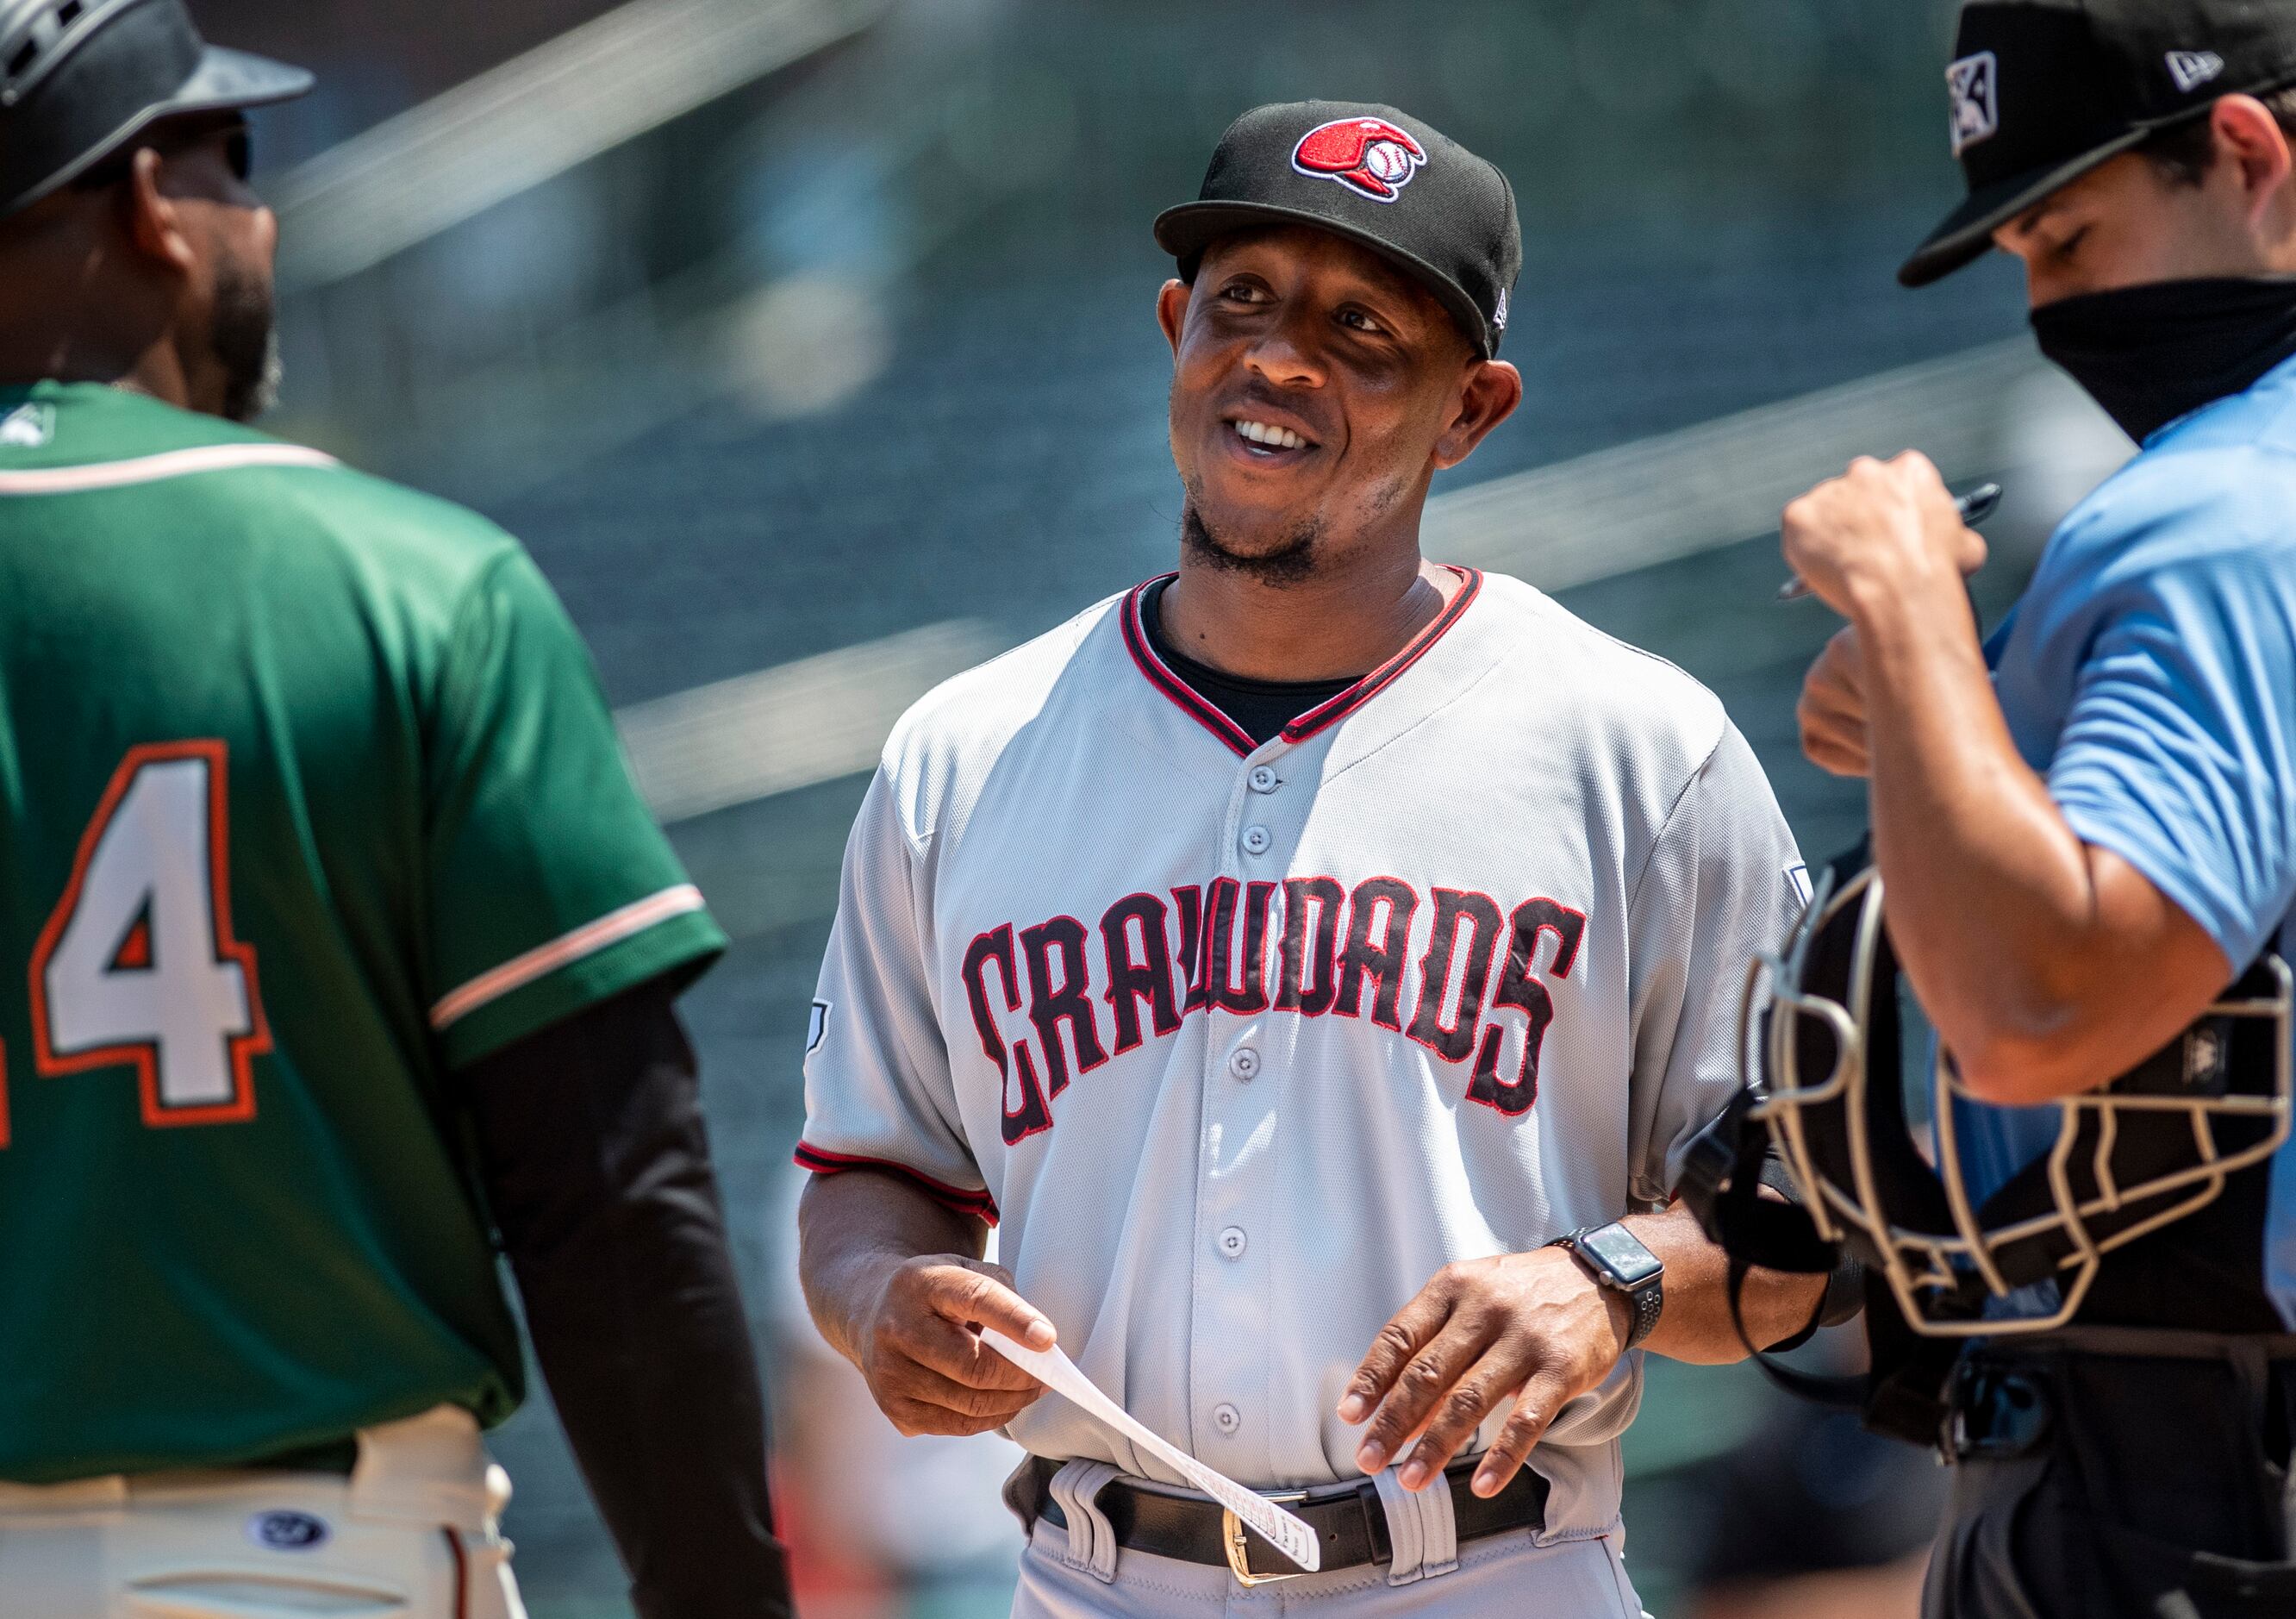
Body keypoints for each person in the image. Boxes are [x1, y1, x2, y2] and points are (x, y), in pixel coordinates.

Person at [795, 99, 1837, 1615]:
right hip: (1089, 1576)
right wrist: (878, 1295)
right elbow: (868, 1180)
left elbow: (1810, 1230)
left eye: (1362, 328)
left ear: (1469, 409)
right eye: (1244, 301)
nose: (1280, 360)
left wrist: (1610, 1284)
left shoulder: (1637, 750)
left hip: (1488, 1570)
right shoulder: (964, 753)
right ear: (1175, 327)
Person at [0, 3, 793, 1616]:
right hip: (295, 1567)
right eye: (239, 161)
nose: (263, 213)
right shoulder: (406, 583)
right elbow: (613, 1191)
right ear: (149, 204)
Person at [1781, 2, 2296, 1613]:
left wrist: (1910, 602)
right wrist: (1955, 709)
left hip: (2192, 1464)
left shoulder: (2215, 516)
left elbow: (2040, 1004)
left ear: (2250, 154)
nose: (2044, 296)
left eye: (2066, 233)